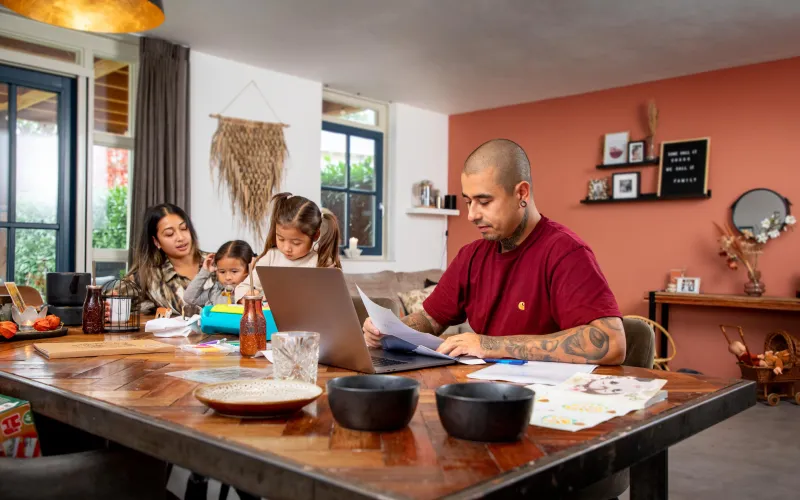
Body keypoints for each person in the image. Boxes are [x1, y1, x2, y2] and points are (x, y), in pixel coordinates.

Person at [363, 139, 626, 365]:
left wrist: (488, 345)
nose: (471, 215)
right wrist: (391, 331)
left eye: (484, 201)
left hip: (548, 400)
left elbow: (612, 343)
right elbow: (430, 319)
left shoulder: (565, 252)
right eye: (468, 201)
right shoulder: (471, 256)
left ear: (521, 193)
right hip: (482, 391)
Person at [234, 192, 341, 301]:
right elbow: (241, 288)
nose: (286, 248)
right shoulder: (271, 257)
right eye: (281, 239)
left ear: (315, 235)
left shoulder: (321, 262)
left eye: (296, 243)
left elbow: (331, 301)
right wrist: (250, 297)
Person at [128, 203, 208, 314]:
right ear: (156, 241)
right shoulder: (149, 276)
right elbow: (111, 301)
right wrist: (149, 307)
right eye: (170, 234)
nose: (180, 237)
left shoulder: (217, 262)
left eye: (184, 229)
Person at [183, 240, 255, 307]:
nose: (227, 277)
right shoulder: (215, 292)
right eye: (222, 272)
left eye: (234, 271)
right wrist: (205, 271)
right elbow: (189, 298)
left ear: (249, 269)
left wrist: (253, 273)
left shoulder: (253, 293)